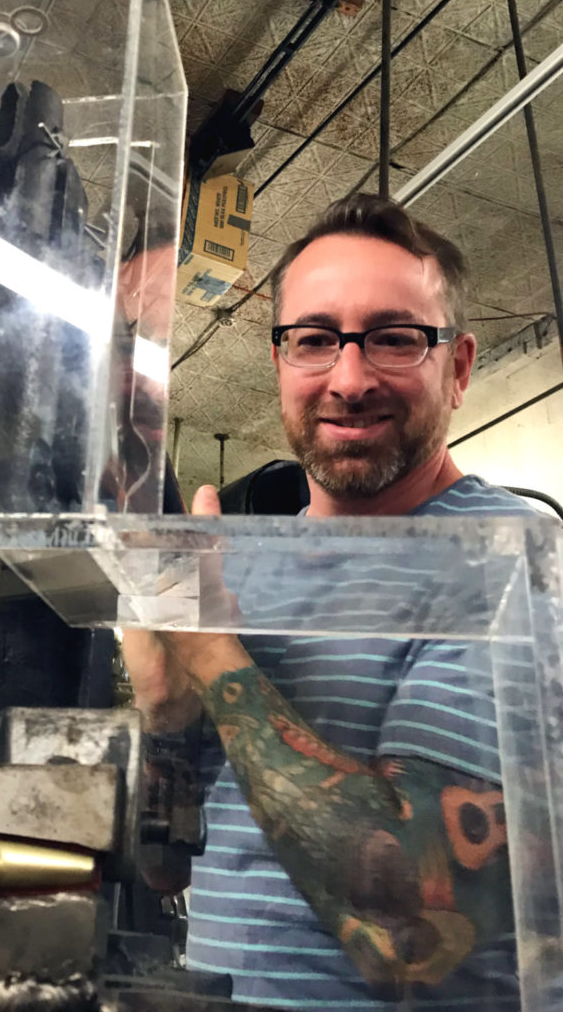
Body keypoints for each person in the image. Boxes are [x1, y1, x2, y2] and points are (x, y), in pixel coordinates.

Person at [124, 194, 538, 1011]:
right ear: (280, 362)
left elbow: (414, 928)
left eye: (392, 338)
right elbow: (168, 868)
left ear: (456, 367)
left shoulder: (505, 556)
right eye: (314, 340)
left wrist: (209, 654)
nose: (348, 378)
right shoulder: (246, 568)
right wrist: (164, 710)